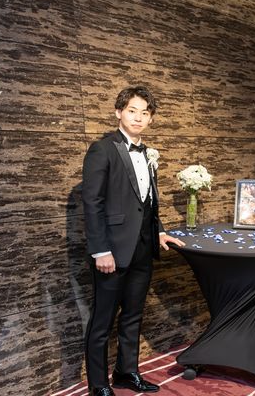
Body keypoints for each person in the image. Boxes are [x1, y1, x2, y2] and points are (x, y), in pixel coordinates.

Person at [82, 86, 185, 396]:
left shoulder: (149, 153)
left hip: (142, 248)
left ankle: (126, 372)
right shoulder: (103, 149)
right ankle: (98, 385)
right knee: (102, 321)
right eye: (132, 111)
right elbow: (92, 202)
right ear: (119, 112)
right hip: (111, 251)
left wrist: (159, 231)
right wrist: (100, 250)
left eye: (145, 113)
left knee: (133, 315)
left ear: (151, 119)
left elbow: (147, 202)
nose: (138, 117)